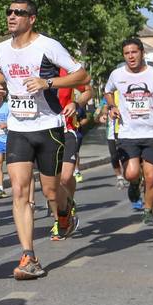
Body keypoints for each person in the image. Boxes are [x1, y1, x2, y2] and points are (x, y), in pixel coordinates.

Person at [0, 0, 89, 280]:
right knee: (20, 191)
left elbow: (81, 73)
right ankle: (29, 256)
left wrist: (48, 83)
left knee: (50, 192)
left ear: (31, 19)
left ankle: (66, 212)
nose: (11, 16)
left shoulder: (48, 45)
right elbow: (2, 75)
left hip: (48, 127)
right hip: (18, 129)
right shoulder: (0, 49)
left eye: (18, 13)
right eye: (8, 11)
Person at [104, 38, 153, 226]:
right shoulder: (117, 74)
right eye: (127, 53)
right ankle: (135, 184)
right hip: (129, 133)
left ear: (142, 52)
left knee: (151, 176)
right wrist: (112, 106)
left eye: (134, 52)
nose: (131, 56)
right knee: (131, 173)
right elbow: (108, 91)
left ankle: (148, 210)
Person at [50, 72, 92, 240]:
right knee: (51, 184)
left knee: (65, 178)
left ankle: (69, 202)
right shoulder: (30, 67)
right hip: (44, 133)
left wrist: (76, 103)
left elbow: (88, 90)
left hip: (67, 130)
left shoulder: (65, 71)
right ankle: (58, 220)